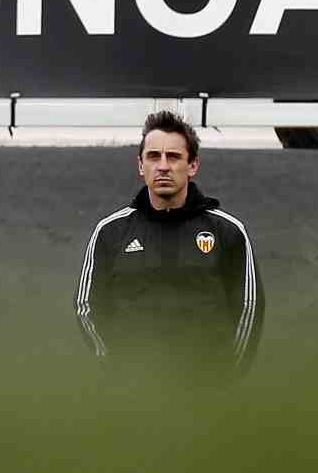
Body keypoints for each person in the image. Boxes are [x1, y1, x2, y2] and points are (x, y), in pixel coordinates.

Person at [74, 110, 264, 379]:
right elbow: (86, 307)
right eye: (153, 156)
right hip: (132, 393)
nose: (163, 166)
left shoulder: (227, 232)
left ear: (193, 165)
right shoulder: (110, 232)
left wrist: (228, 376)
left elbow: (249, 306)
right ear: (141, 166)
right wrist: (115, 370)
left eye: (173, 157)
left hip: (208, 394)